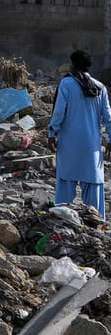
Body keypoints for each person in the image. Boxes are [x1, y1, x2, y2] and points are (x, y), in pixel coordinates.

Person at [47, 49, 111, 218]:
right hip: (92, 148)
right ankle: (97, 225)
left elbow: (59, 112)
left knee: (64, 190)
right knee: (94, 191)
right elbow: (108, 118)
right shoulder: (100, 87)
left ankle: (61, 222)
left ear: (73, 65)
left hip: (69, 146)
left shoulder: (66, 84)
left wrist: (51, 133)